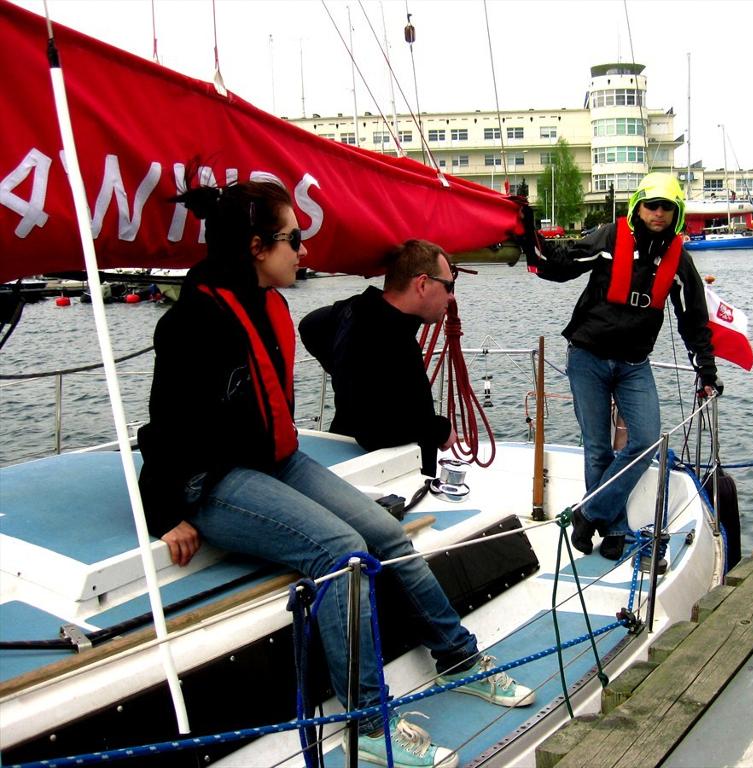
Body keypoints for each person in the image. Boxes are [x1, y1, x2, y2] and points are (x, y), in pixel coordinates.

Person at [137, 178, 533, 768]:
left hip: (276, 460)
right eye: (294, 240)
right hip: (212, 480)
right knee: (341, 552)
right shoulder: (194, 320)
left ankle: (458, 656)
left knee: (387, 534)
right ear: (255, 246)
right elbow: (164, 427)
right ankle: (368, 723)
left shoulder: (268, 304)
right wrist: (165, 512)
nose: (304, 252)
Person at [518, 172, 721, 560]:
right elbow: (559, 264)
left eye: (667, 207)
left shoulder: (679, 261)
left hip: (634, 364)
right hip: (587, 356)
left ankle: (589, 512)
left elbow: (693, 319)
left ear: (676, 213)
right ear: (638, 207)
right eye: (651, 206)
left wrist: (706, 369)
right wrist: (530, 232)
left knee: (645, 441)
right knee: (597, 448)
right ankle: (613, 530)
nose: (658, 214)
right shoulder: (610, 238)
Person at [299, 239, 456, 478]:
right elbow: (377, 430)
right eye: (448, 286)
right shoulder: (387, 336)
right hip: (384, 479)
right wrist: (439, 430)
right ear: (422, 284)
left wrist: (341, 368)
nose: (451, 297)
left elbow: (309, 325)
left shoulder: (357, 310)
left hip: (348, 459)